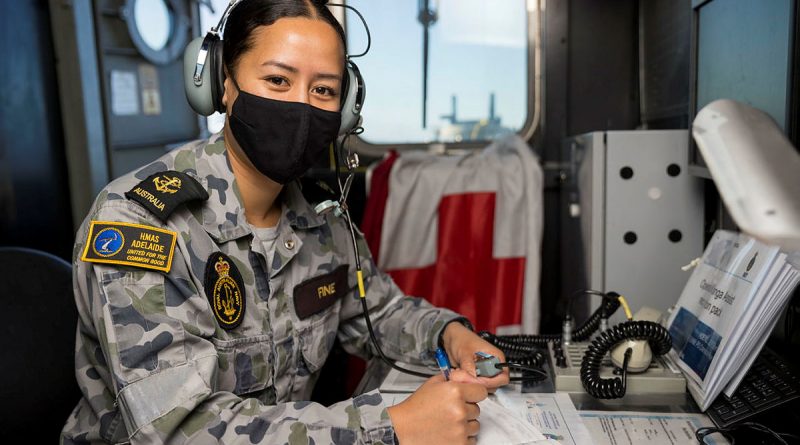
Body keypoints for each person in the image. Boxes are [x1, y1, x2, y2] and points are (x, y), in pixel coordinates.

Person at [61, 0, 509, 443]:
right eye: (277, 80)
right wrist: (392, 428)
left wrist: (450, 334)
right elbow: (181, 431)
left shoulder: (323, 221)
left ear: (346, 108)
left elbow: (381, 312)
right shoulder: (140, 223)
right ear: (222, 84)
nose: (301, 107)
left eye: (324, 91)